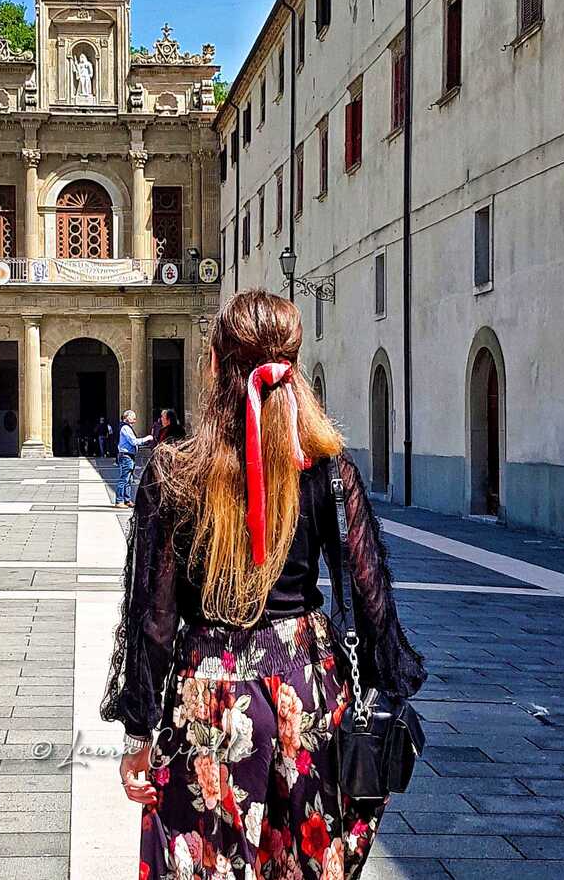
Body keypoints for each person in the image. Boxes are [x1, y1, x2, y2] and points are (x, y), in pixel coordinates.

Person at [101, 290, 426, 880]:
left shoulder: (174, 473)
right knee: (301, 863)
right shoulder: (329, 471)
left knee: (206, 864)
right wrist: (386, 689)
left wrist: (137, 735)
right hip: (307, 692)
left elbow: (154, 617)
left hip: (207, 696)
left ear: (215, 366)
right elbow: (371, 596)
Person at [113, 409, 153, 509]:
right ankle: (119, 501)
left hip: (129, 456)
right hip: (126, 456)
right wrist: (147, 438)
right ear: (127, 417)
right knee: (124, 479)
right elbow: (133, 441)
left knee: (129, 479)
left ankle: (127, 500)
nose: (135, 420)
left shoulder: (127, 427)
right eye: (133, 417)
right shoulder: (125, 428)